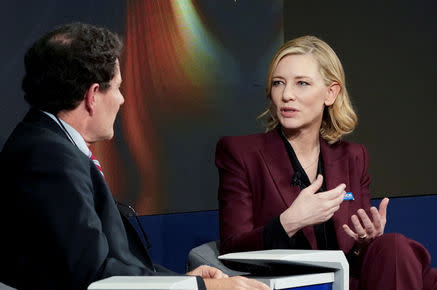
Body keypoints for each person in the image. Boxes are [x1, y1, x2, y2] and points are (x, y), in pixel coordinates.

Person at [0, 23, 268, 290]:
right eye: (117, 87)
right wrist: (209, 288)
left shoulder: (46, 143)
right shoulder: (50, 157)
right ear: (93, 95)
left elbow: (100, 264)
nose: (122, 99)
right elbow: (96, 276)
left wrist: (181, 282)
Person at [215, 35, 437, 290]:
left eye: (302, 83)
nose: (287, 95)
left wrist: (366, 240)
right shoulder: (240, 153)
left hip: (349, 280)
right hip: (299, 283)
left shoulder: (353, 156)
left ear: (330, 92)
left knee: (398, 251)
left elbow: (355, 256)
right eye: (278, 83)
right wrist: (289, 221)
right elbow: (232, 248)